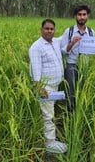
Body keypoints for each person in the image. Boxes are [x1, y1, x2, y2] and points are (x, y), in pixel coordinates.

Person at [60, 5, 95, 112]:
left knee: (83, 90)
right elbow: (63, 51)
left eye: (84, 14)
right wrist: (72, 42)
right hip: (71, 66)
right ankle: (70, 114)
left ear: (87, 16)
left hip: (85, 66)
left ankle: (80, 112)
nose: (82, 17)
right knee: (71, 92)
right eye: (79, 15)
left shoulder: (91, 32)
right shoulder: (69, 31)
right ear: (75, 16)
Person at [29, 19, 67, 154]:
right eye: (47, 28)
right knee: (48, 115)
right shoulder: (36, 47)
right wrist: (40, 88)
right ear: (41, 30)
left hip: (56, 85)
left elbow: (66, 36)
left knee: (50, 112)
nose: (49, 31)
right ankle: (50, 144)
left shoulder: (55, 42)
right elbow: (35, 70)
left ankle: (50, 139)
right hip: (46, 88)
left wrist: (79, 28)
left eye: (52, 29)